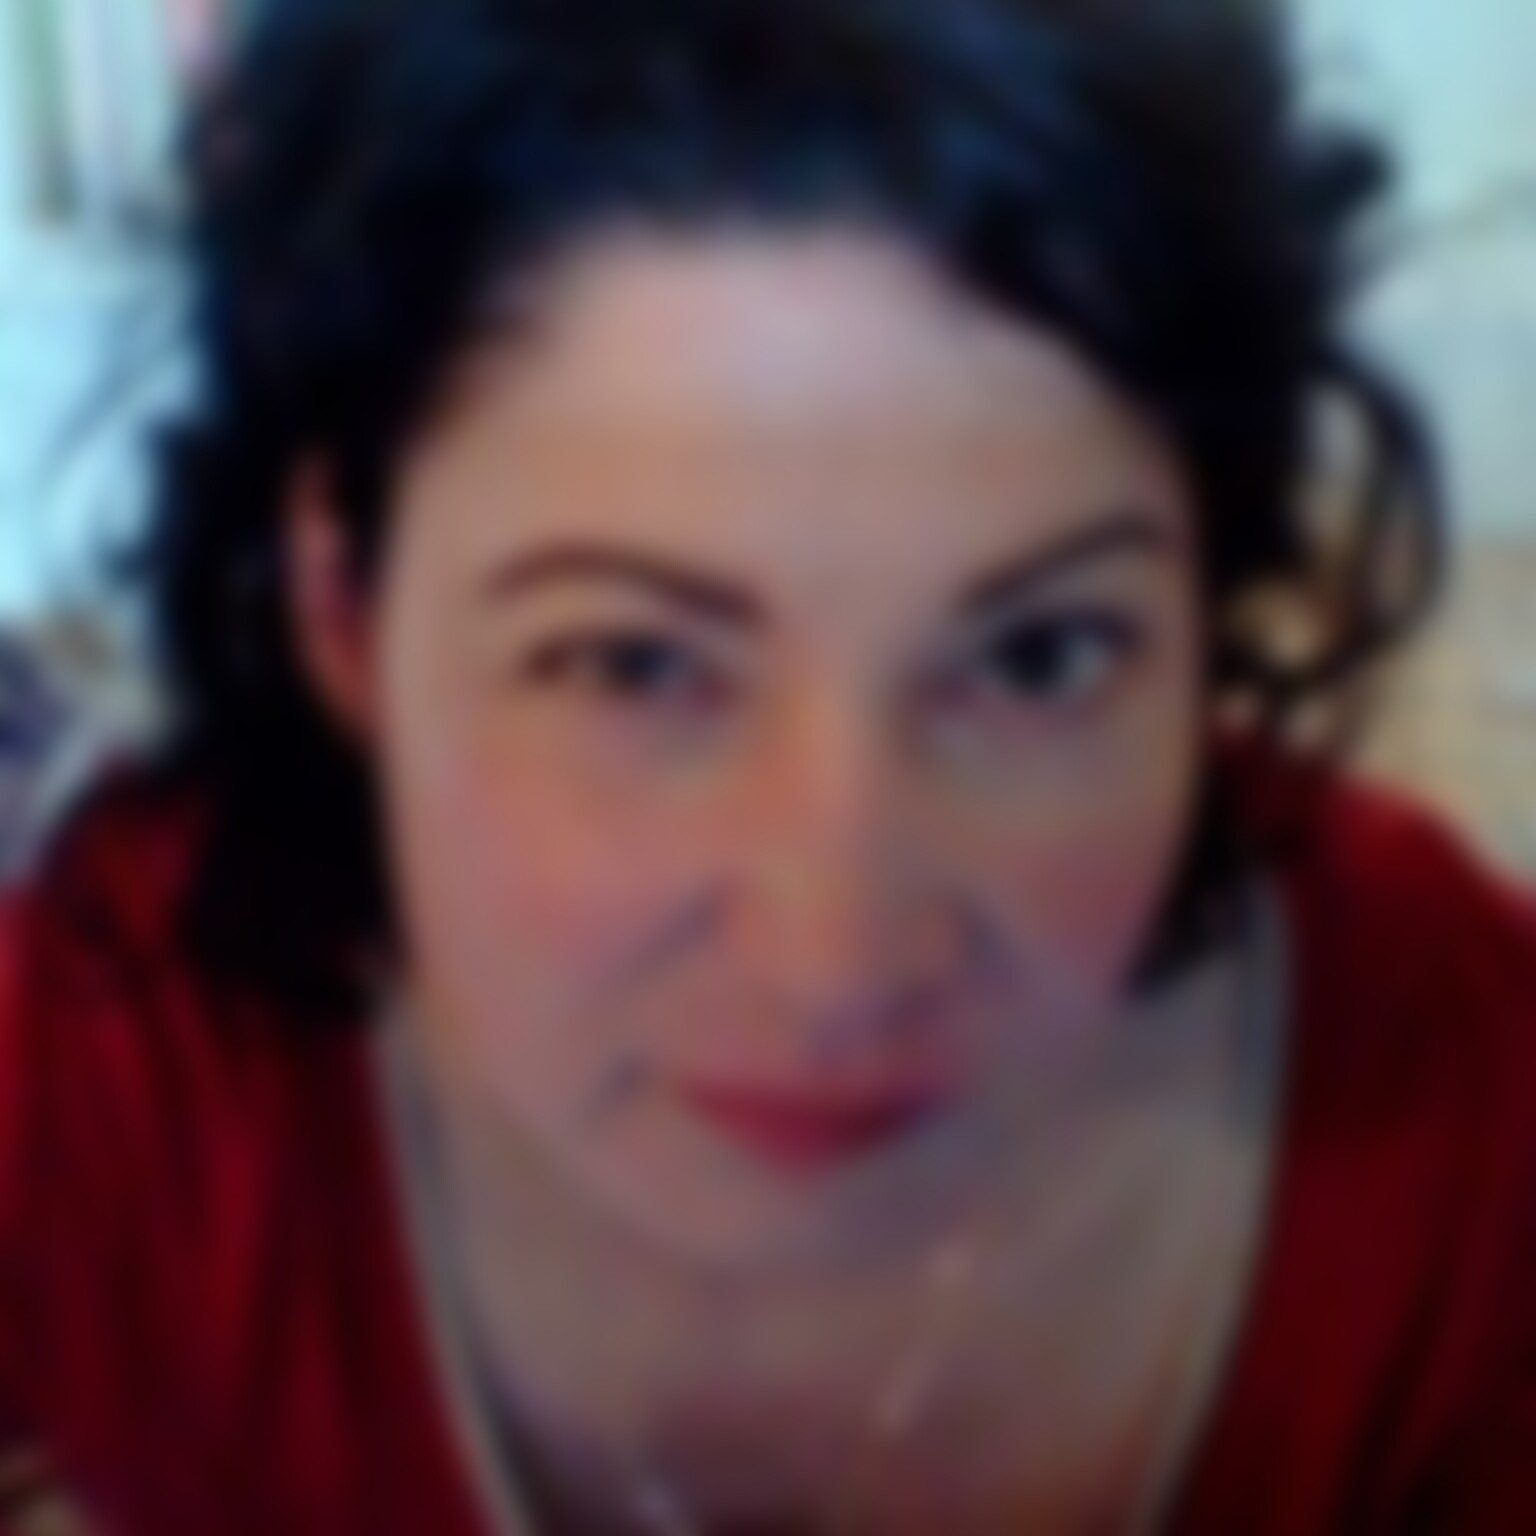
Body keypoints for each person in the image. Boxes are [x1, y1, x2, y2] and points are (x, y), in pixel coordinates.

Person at [2, 0, 1533, 1530]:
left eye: (1037, 659)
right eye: (633, 665)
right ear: (345, 605)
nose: (837, 968)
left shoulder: (1468, 1110)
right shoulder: (106, 1082)